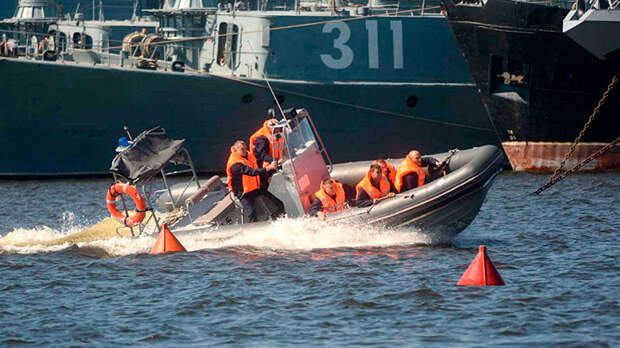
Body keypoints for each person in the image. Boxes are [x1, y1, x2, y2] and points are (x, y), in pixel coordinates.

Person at [226, 140, 278, 223]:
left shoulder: (248, 154)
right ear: (236, 150)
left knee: (274, 199)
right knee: (251, 212)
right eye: (242, 149)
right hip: (243, 193)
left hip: (254, 188)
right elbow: (252, 172)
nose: (245, 151)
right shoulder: (235, 164)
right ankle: (252, 230)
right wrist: (269, 168)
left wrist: (271, 166)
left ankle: (279, 218)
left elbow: (258, 163)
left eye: (245, 148)